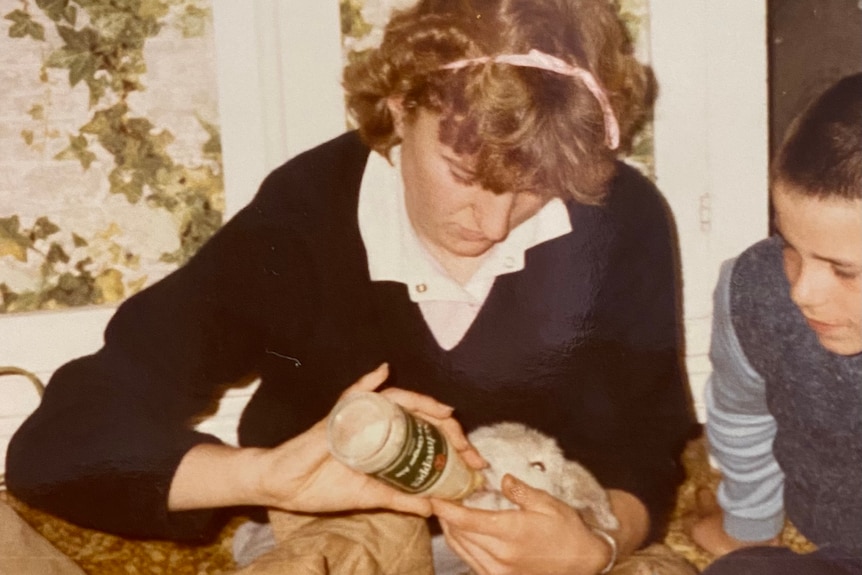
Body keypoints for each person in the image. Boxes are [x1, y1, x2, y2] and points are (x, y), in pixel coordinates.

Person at [6, 1, 697, 573]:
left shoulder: (616, 219)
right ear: (399, 109)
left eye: (531, 190)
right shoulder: (304, 218)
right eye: (462, 173)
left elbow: (644, 440)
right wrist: (264, 475)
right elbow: (59, 442)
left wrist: (597, 545)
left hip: (528, 529)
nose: (491, 223)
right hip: (335, 535)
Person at [692, 73, 862, 574]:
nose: (802, 292)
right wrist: (749, 528)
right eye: (790, 246)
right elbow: (741, 417)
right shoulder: (756, 292)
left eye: (844, 270)